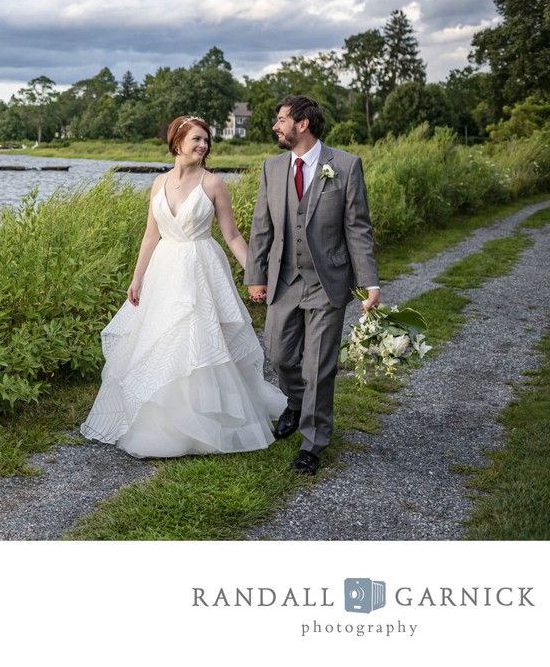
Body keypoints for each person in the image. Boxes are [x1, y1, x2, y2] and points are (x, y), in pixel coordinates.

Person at [81, 115, 286, 458]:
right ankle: (165, 424)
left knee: (201, 340)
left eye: (206, 141)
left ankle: (208, 422)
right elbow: (151, 235)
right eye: (197, 140)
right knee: (163, 341)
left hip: (201, 268)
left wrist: (255, 275)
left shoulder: (214, 184)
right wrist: (137, 278)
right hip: (165, 269)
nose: (203, 146)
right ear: (177, 143)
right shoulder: (158, 184)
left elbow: (232, 236)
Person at [244, 95, 380, 476]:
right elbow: (261, 227)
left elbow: (358, 230)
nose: (276, 126)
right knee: (279, 355)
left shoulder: (346, 166)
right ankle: (297, 403)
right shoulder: (271, 168)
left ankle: (313, 442)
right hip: (284, 279)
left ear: (302, 124)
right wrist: (255, 275)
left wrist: (369, 282)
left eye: (282, 119)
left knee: (319, 365)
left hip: (327, 281)